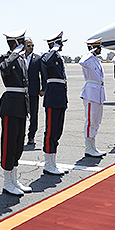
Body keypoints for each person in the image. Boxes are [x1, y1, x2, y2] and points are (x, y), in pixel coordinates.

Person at [0, 29, 31, 197]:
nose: (24, 46)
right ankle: (7, 182)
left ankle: (14, 179)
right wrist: (14, 54)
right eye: (22, 43)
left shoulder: (21, 59)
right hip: (10, 105)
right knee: (9, 144)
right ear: (16, 44)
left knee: (18, 143)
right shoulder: (5, 58)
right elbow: (4, 68)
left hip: (21, 105)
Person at [39, 32, 68, 175]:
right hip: (52, 98)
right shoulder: (48, 56)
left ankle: (53, 162)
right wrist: (53, 49)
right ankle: (48, 163)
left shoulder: (58, 57)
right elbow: (45, 61)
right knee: (50, 131)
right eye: (59, 43)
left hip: (60, 97)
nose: (61, 46)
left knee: (58, 131)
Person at [79, 38, 106, 157]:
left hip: (98, 92)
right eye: (98, 47)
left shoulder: (96, 60)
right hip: (91, 93)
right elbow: (81, 62)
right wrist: (91, 51)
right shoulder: (88, 59)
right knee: (90, 120)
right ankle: (88, 147)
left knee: (96, 120)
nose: (100, 50)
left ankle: (93, 146)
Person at [23, 38, 41, 146]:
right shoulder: (19, 57)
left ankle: (31, 136)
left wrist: (43, 89)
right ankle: (20, 136)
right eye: (29, 45)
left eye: (32, 45)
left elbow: (43, 74)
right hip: (22, 91)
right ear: (24, 46)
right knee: (21, 115)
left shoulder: (37, 58)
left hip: (33, 91)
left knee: (34, 115)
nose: (31, 47)